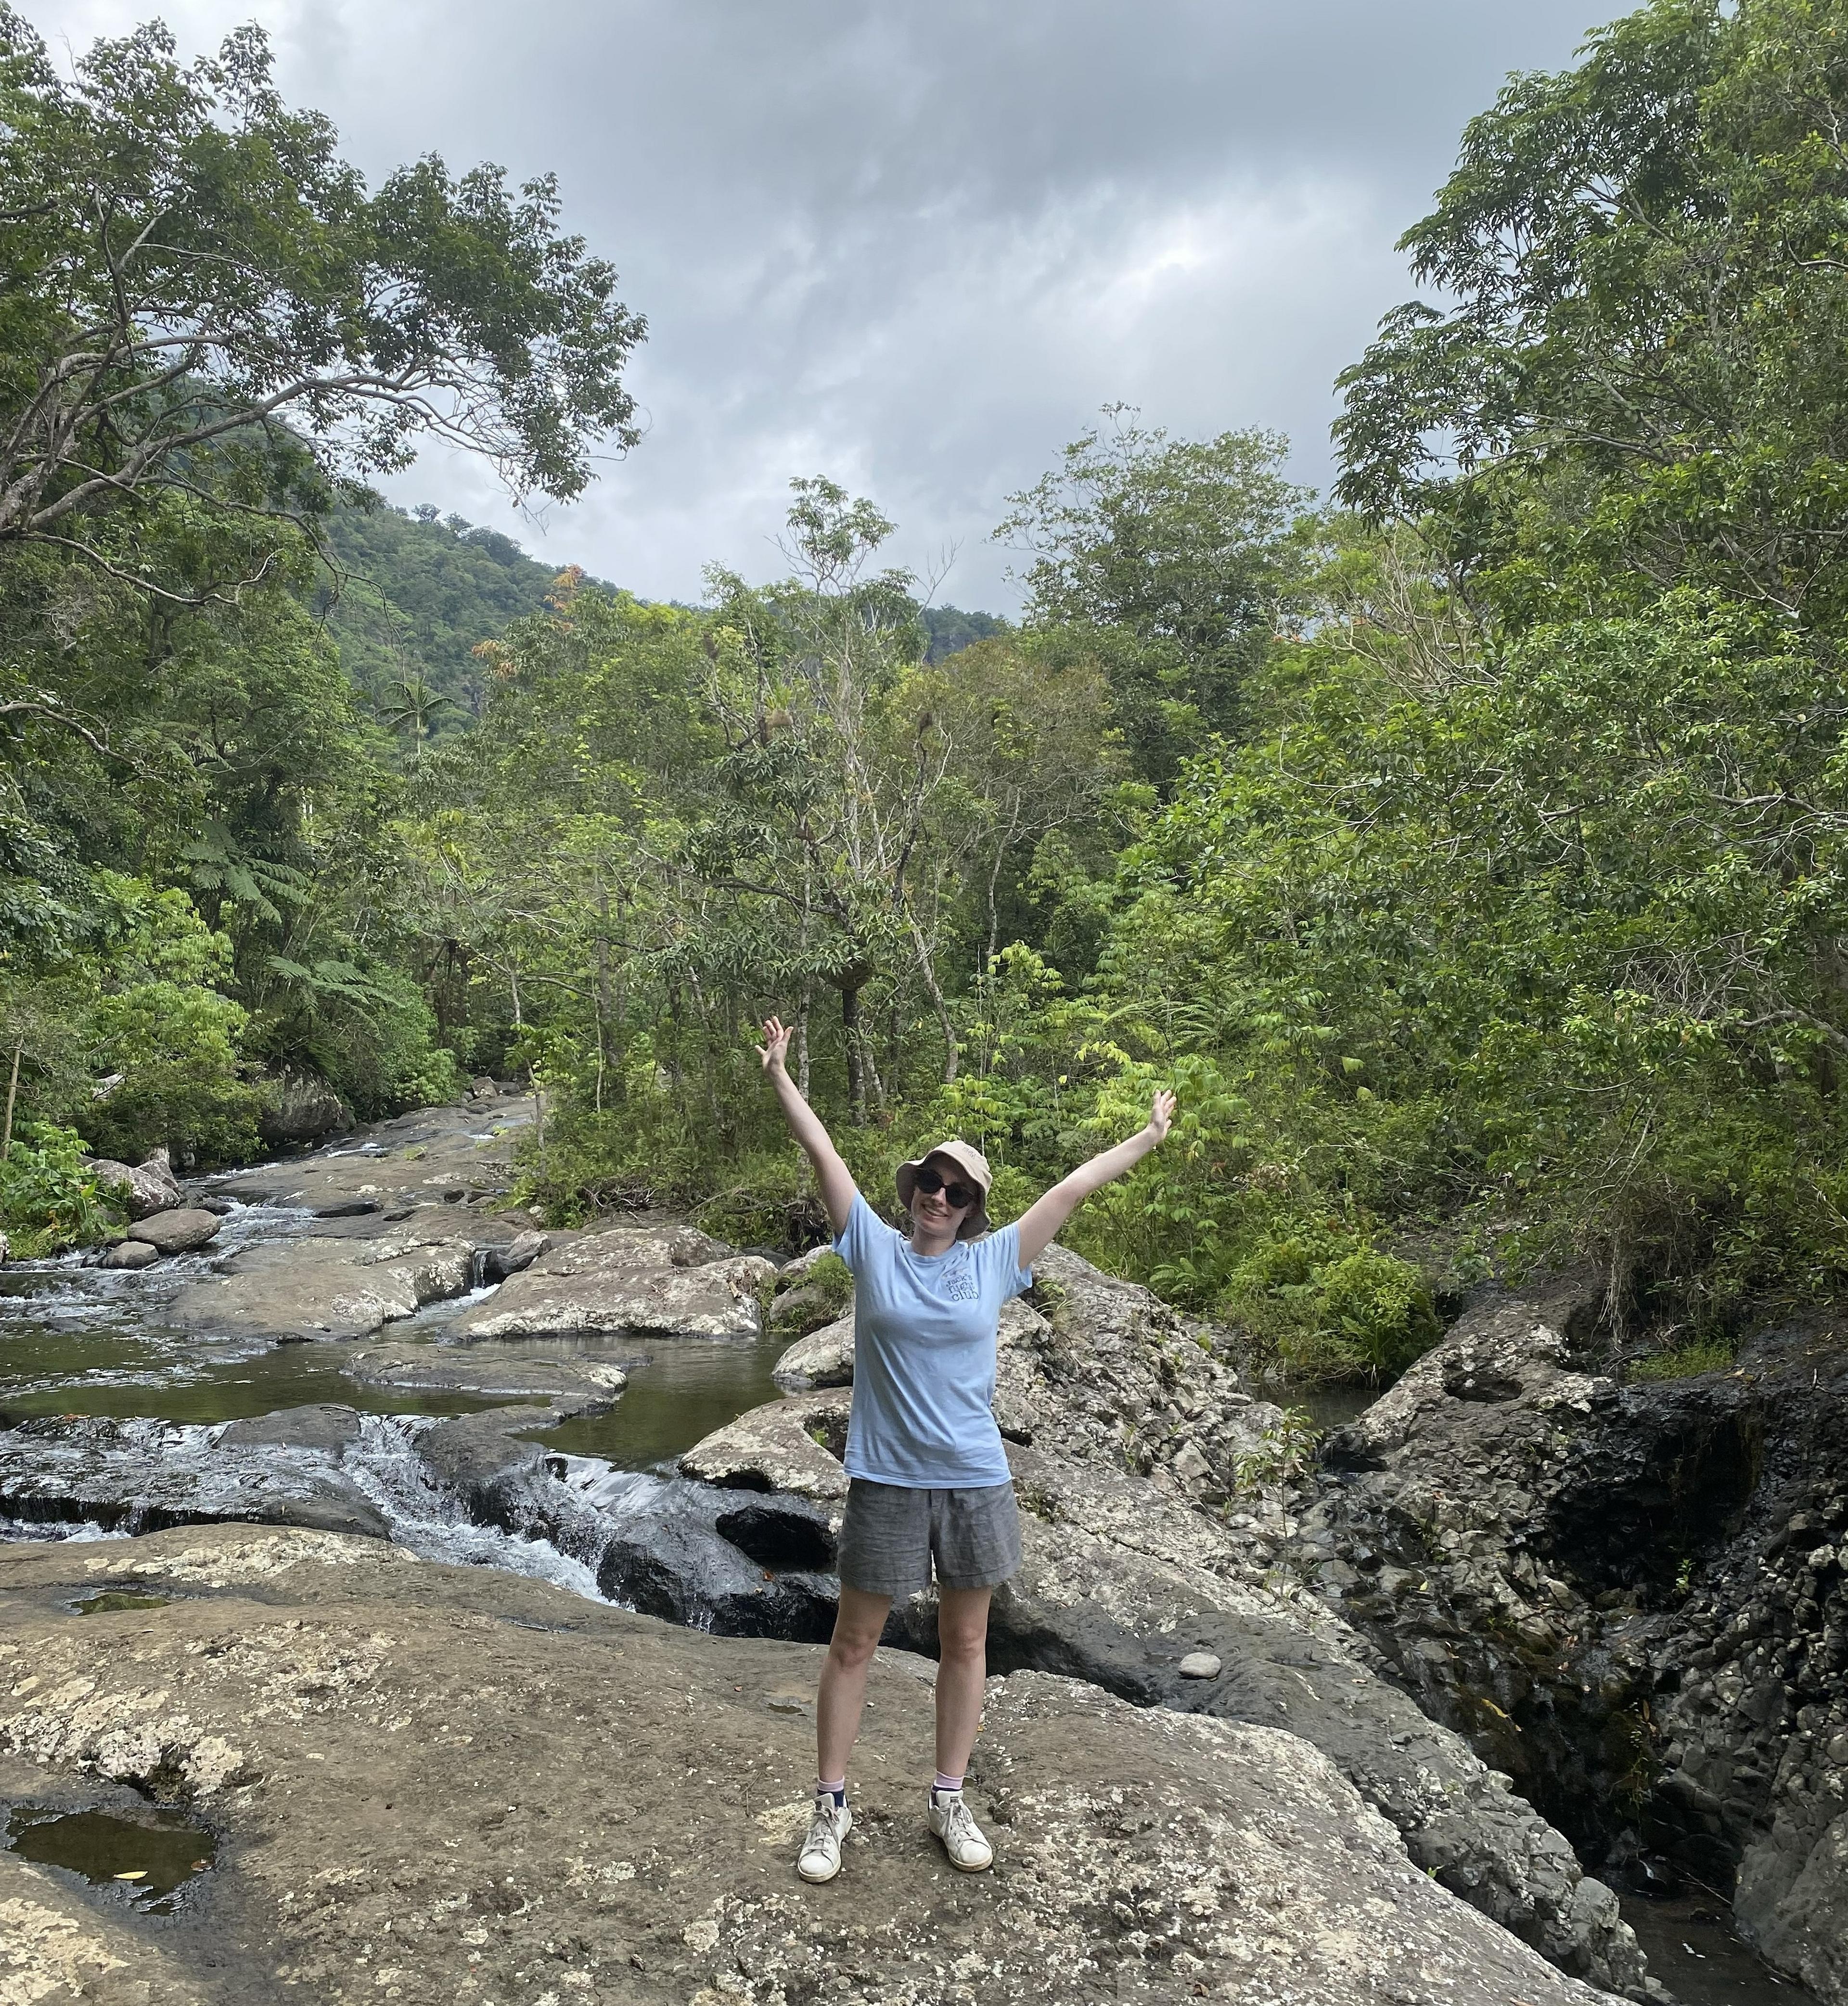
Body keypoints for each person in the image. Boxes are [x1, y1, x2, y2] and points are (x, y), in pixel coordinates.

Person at [756, 1014, 1175, 1884]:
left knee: (968, 1641)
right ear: (911, 1191)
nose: (939, 1197)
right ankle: (829, 1805)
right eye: (930, 1183)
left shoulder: (995, 1263)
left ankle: (948, 1795)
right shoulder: (872, 1247)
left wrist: (1148, 1134)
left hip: (975, 1478)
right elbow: (823, 1152)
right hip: (886, 1478)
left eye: (955, 1190)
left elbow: (1074, 1187)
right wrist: (780, 1075)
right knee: (853, 1644)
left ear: (973, 1207)